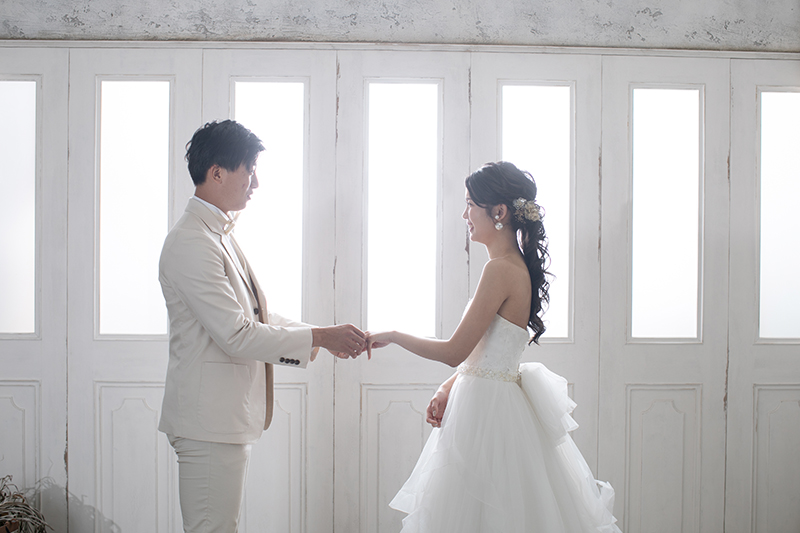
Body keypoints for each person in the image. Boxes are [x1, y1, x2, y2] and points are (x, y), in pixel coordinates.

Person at [366, 161, 621, 532]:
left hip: (486, 415)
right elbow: (486, 353)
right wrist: (448, 387)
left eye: (470, 204)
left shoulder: (500, 269)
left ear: (499, 212)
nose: (464, 215)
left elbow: (454, 352)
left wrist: (393, 334)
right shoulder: (510, 266)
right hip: (487, 403)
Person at [158, 119, 366, 533]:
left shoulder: (217, 234)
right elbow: (236, 334)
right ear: (217, 172)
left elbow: (256, 316)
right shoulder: (192, 241)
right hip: (208, 422)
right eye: (249, 170)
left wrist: (322, 337)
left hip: (222, 420)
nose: (256, 182)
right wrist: (321, 336)